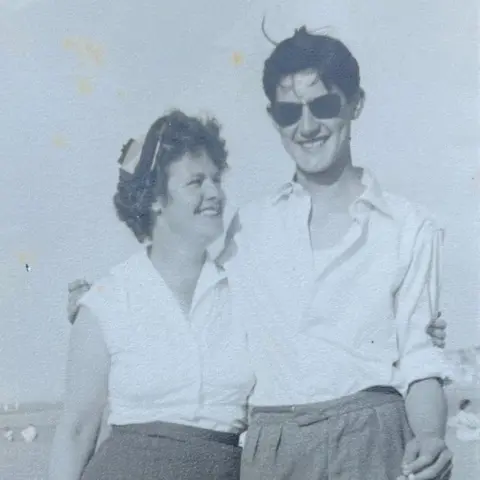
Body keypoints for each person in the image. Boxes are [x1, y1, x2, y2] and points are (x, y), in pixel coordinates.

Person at [217, 27, 453, 480]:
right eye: (290, 113)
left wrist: (429, 437)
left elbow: (420, 358)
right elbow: (209, 321)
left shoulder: (410, 226)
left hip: (375, 442)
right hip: (272, 448)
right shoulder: (249, 226)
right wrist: (99, 309)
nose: (307, 127)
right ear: (274, 119)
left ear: (355, 104)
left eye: (323, 106)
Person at [49, 110, 256, 480]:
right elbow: (77, 429)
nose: (215, 193)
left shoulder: (242, 292)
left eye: (216, 179)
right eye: (196, 182)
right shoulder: (108, 301)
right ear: (156, 199)